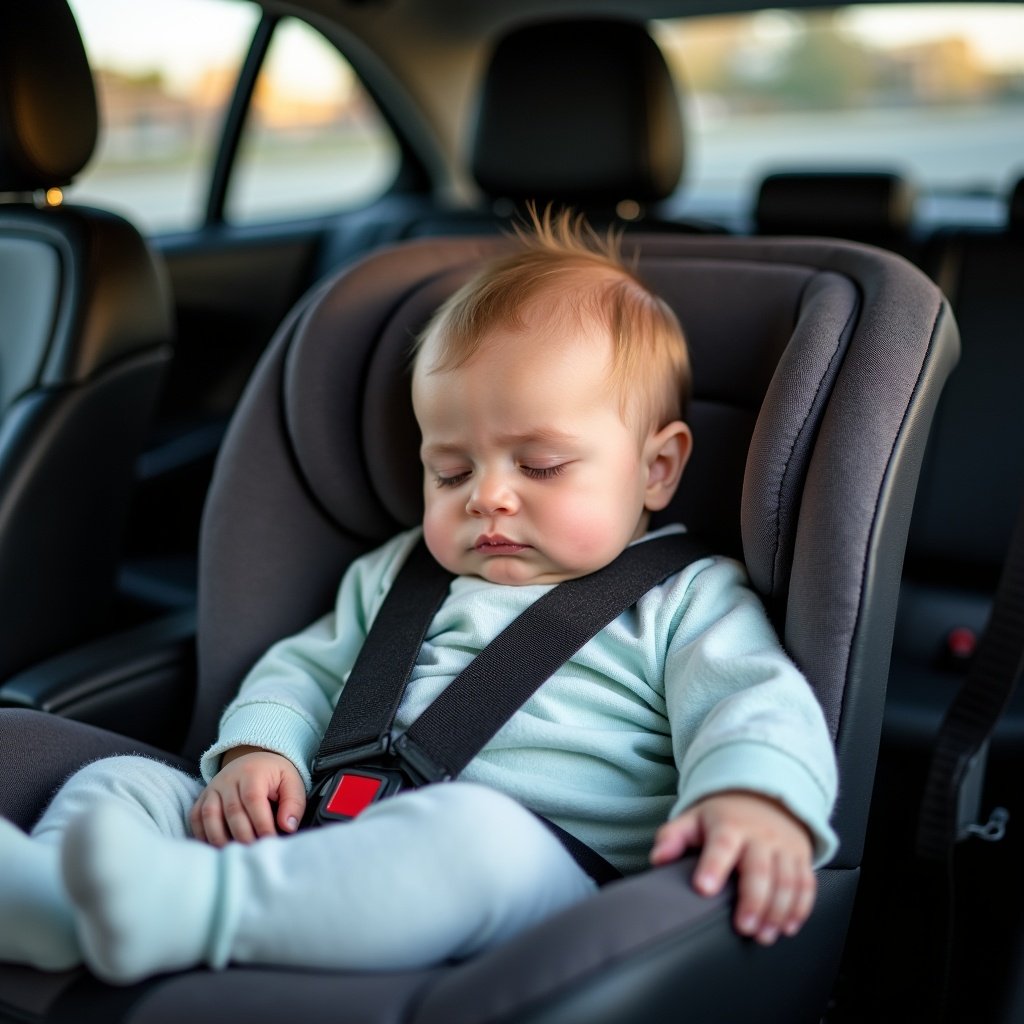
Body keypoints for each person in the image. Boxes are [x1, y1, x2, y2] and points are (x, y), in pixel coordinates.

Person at [0, 209, 837, 985]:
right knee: (128, 780)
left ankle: (190, 910)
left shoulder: (688, 599)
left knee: (474, 839)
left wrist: (752, 797)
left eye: (540, 466)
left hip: (545, 873)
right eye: (451, 470)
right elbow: (302, 672)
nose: (489, 497)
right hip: (326, 823)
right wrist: (261, 752)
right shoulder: (394, 575)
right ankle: (56, 900)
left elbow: (753, 706)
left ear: (657, 468)